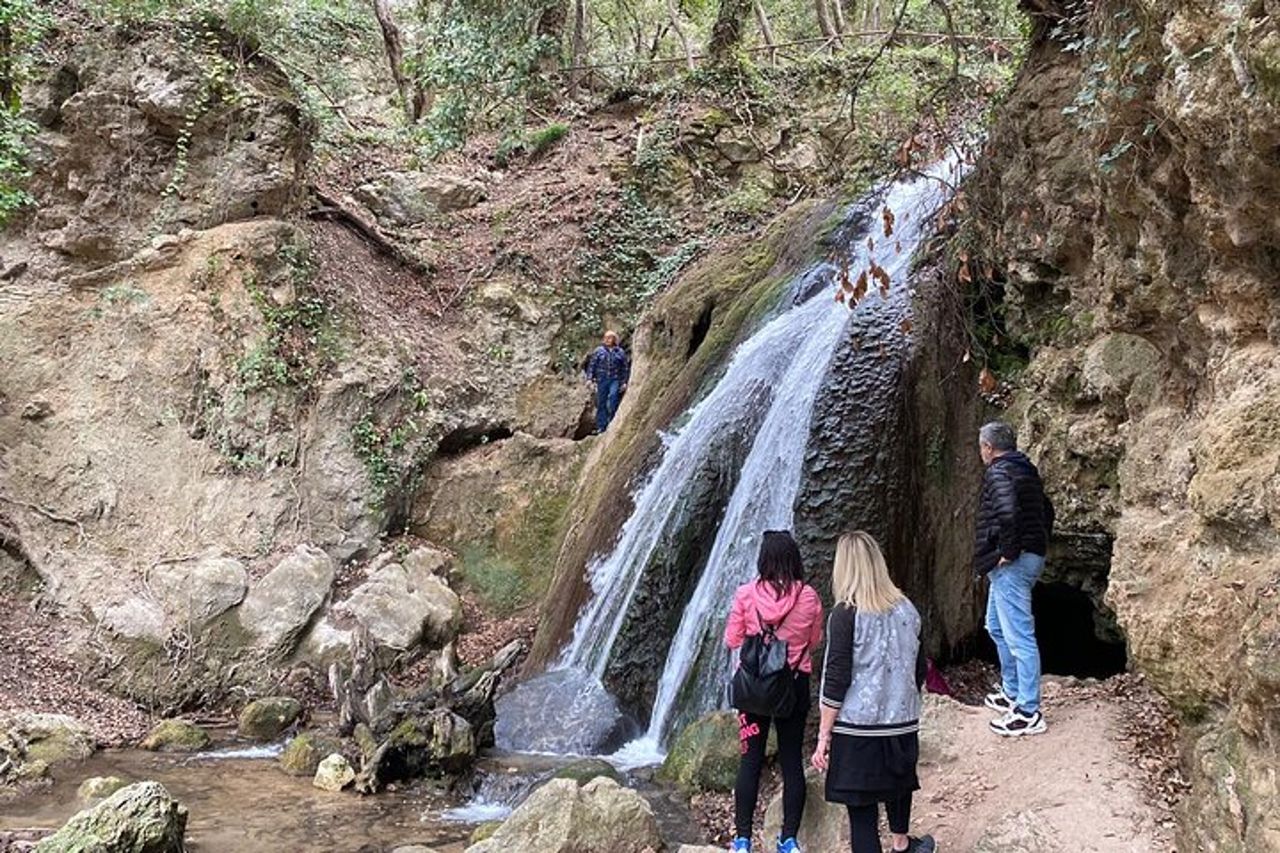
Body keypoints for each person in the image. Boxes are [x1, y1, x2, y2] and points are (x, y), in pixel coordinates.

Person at [811, 532, 936, 853]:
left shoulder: (845, 613)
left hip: (858, 731)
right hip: (902, 724)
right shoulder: (907, 609)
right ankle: (902, 844)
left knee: (863, 815)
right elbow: (919, 669)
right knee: (897, 786)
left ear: (845, 568)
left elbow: (836, 678)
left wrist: (824, 735)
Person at [725, 530, 824, 853]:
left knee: (749, 761)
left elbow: (732, 640)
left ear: (763, 561)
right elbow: (814, 641)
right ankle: (788, 840)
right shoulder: (808, 597)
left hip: (753, 689)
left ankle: (742, 840)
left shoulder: (745, 594)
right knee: (792, 761)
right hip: (792, 688)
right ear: (794, 559)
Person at [973, 420, 1055, 737]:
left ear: (989, 448)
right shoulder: (1025, 470)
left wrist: (1008, 551)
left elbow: (1007, 512)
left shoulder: (998, 471)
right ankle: (1012, 691)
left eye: (981, 446)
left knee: (1019, 636)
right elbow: (1046, 510)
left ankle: (1028, 711)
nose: (981, 451)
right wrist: (1038, 542)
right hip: (1025, 558)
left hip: (1012, 563)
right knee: (994, 625)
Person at [584, 330, 630, 433]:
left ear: (614, 339)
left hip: (615, 378)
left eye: (610, 338)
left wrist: (624, 382)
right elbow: (592, 365)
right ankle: (601, 426)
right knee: (602, 402)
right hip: (602, 379)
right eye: (606, 338)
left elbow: (625, 368)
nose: (607, 340)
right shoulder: (599, 351)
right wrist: (589, 378)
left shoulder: (620, 352)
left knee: (613, 397)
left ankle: (612, 421)